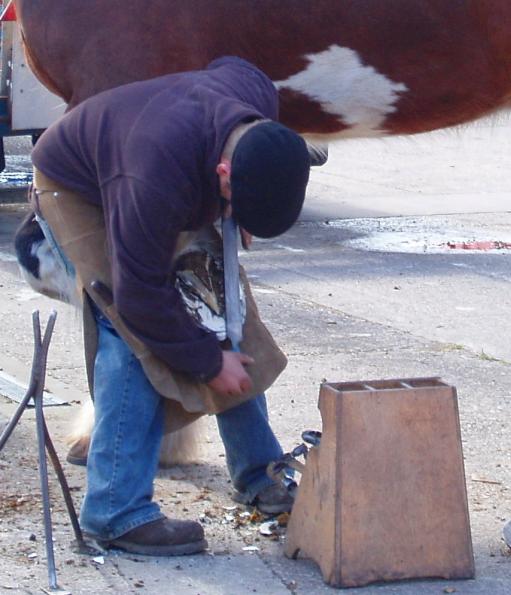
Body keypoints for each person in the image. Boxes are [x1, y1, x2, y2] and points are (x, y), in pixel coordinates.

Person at [30, 56, 311, 556]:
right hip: (79, 186)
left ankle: (259, 474)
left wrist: (248, 204)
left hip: (168, 163)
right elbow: (140, 295)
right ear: (224, 171)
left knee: (228, 313)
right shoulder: (152, 174)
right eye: (233, 197)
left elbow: (229, 63)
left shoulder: (255, 99)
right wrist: (205, 361)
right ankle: (115, 511)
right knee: (128, 333)